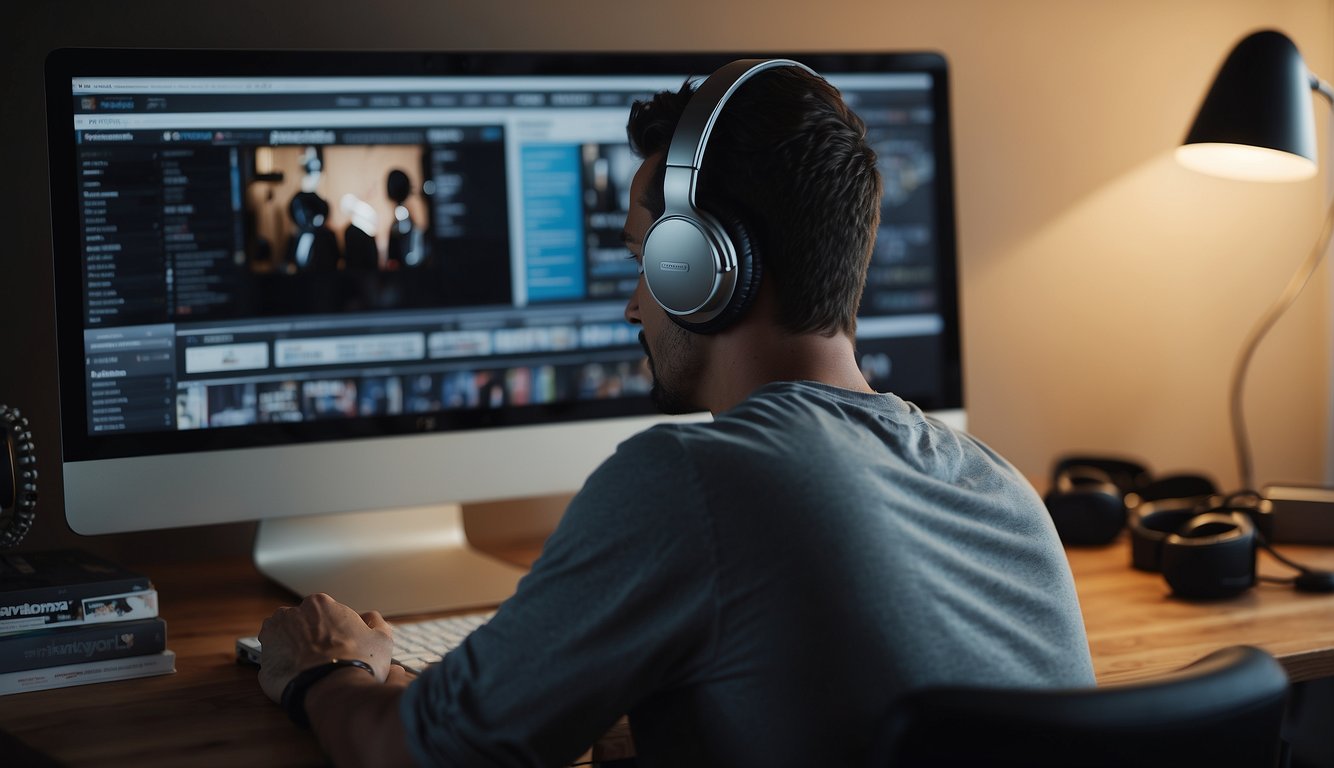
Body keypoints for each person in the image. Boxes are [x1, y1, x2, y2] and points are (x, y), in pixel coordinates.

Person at [256, 61, 1095, 768]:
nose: (634, 306)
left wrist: (329, 672)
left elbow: (426, 756)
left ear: (702, 268)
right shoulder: (1004, 484)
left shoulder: (693, 481)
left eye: (642, 259)